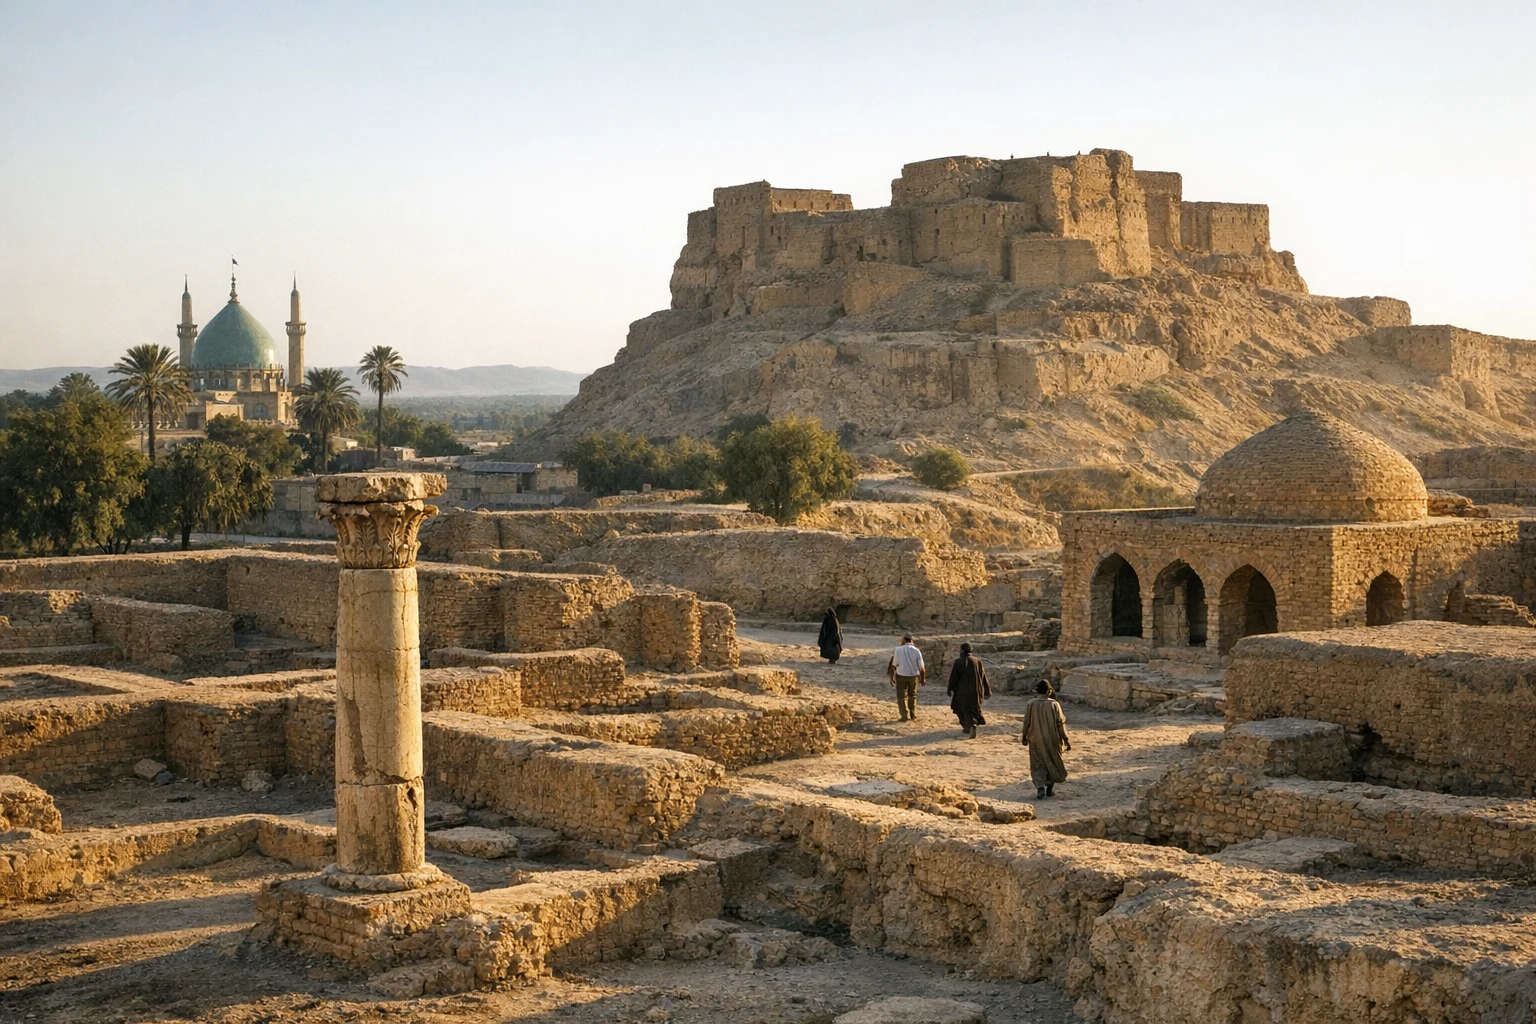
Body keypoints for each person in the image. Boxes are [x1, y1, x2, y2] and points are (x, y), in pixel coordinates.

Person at [1021, 680, 1071, 799]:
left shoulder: (1031, 704)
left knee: (1038, 763)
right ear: (1049, 691)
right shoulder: (1054, 704)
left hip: (1035, 738)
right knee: (1052, 761)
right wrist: (1066, 739)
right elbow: (1060, 723)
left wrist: (1024, 736)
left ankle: (1040, 787)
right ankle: (1049, 789)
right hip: (1052, 738)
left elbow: (1026, 722)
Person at [946, 642, 990, 738]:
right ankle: (970, 725)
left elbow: (953, 677)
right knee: (973, 708)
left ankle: (969, 726)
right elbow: (983, 677)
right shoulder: (977, 661)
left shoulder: (958, 662)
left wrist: (950, 689)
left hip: (962, 691)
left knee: (959, 707)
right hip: (976, 691)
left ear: (962, 651)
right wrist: (987, 689)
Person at [887, 635, 926, 722]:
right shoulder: (916, 650)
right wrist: (923, 679)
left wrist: (891, 678)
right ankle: (912, 713)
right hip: (914, 676)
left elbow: (893, 666)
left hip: (901, 675)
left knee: (901, 696)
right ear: (911, 641)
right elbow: (922, 668)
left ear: (904, 640)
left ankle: (904, 715)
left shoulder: (898, 650)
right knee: (912, 695)